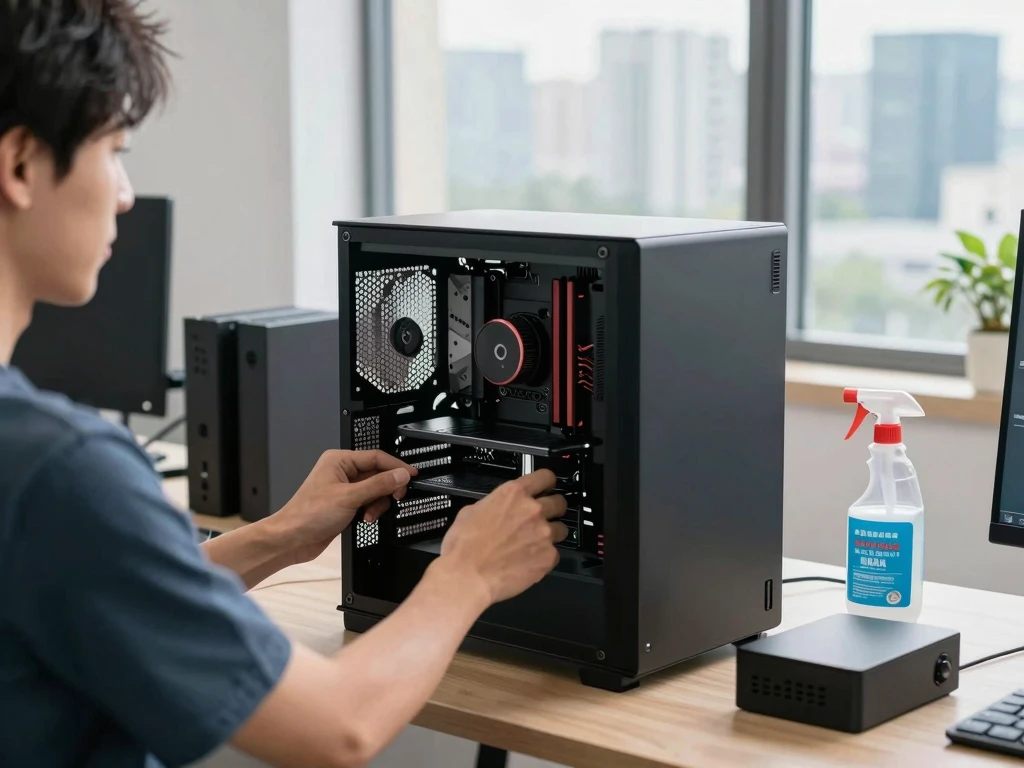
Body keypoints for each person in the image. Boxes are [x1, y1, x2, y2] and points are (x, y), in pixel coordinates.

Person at [0, 2, 569, 767]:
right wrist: (466, 575)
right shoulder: (61, 473)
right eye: (115, 150)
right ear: (22, 165)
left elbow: (84, 584)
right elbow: (337, 728)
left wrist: (278, 536)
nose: (126, 194)